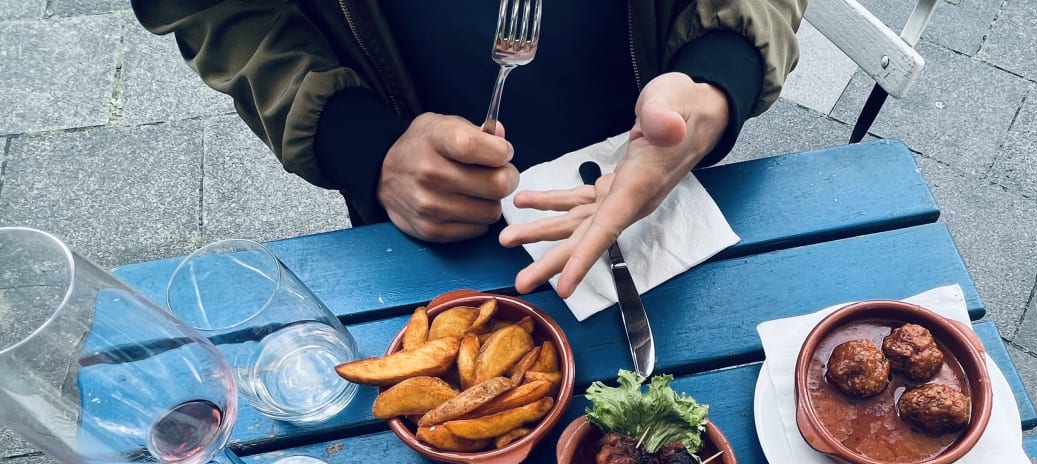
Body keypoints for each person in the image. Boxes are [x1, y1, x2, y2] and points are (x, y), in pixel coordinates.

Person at [132, 1, 804, 298]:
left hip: (662, 176)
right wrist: (365, 146)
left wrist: (719, 76)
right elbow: (214, 9)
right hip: (426, 212)